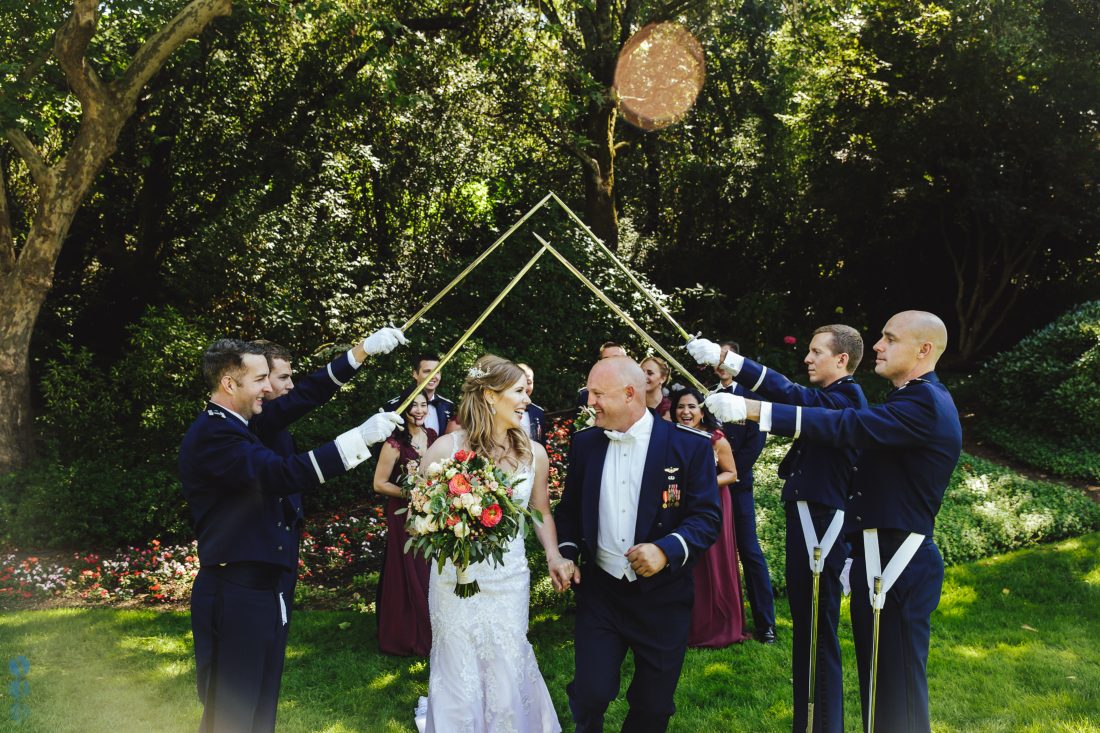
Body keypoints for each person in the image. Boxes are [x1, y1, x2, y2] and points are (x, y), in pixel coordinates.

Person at [704, 311, 962, 733]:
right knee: (883, 696)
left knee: (895, 702)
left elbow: (846, 423)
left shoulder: (925, 403)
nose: (877, 346)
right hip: (880, 562)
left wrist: (753, 410)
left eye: (888, 338)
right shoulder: (911, 400)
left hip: (896, 563)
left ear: (924, 350)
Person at [180, 338, 403, 733]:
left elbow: (303, 398)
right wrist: (359, 439)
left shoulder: (242, 424)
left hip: (262, 589)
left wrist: (362, 352)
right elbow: (280, 475)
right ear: (230, 384)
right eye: (260, 379)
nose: (270, 388)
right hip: (235, 592)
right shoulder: (215, 435)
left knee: (260, 712)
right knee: (232, 716)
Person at [689, 325, 867, 732]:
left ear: (841, 360)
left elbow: (793, 398)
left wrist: (729, 361)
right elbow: (794, 397)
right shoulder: (832, 398)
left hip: (822, 527)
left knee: (819, 635)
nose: (807, 358)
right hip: (810, 522)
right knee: (807, 632)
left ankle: (822, 725)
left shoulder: (846, 398)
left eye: (815, 351)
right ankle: (809, 723)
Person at [555, 356, 722, 733]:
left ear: (630, 393)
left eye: (597, 394)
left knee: (653, 706)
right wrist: (566, 554)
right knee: (592, 692)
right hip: (602, 593)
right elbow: (568, 511)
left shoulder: (689, 447)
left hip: (663, 598)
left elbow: (707, 518)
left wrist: (666, 549)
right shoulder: (585, 444)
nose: (590, 402)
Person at [248, 329, 404, 729]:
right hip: (261, 554)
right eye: (281, 378)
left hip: (280, 546)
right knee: (253, 668)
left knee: (270, 663)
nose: (288, 386)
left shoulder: (271, 420)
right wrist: (360, 352)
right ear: (260, 382)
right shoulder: (260, 419)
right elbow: (310, 395)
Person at [414, 355, 572, 733]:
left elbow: (542, 512)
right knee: (458, 662)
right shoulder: (445, 451)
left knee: (506, 656)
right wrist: (450, 527)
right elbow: (419, 516)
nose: (526, 400)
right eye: (518, 391)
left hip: (508, 577)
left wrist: (554, 555)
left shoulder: (534, 453)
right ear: (489, 395)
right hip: (455, 578)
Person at [669, 387, 748, 649]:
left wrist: (703, 484)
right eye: (681, 407)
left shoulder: (715, 439)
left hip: (712, 502)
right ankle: (689, 624)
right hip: (680, 505)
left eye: (692, 406)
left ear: (703, 410)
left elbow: (732, 474)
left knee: (713, 561)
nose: (686, 412)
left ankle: (720, 626)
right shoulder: (671, 436)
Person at [712, 340, 777, 643]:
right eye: (719, 359)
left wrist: (732, 473)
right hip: (710, 488)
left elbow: (755, 444)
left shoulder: (753, 400)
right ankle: (716, 621)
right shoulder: (706, 398)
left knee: (750, 552)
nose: (722, 365)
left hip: (739, 488)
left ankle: (766, 624)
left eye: (729, 359)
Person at [372, 389, 436, 656]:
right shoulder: (394, 444)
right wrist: (411, 493)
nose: (420, 411)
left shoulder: (432, 437)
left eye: (423, 405)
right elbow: (379, 483)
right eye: (414, 406)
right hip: (402, 514)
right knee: (407, 566)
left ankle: (431, 630)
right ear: (404, 411)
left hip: (430, 511)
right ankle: (405, 634)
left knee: (427, 568)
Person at [384, 352, 456, 435]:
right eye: (427, 371)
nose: (433, 376)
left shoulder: (447, 406)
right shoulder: (394, 406)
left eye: (437, 372)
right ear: (415, 374)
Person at [576, 341, 629, 409]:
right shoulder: (585, 395)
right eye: (606, 359)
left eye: (616, 358)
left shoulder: (639, 391)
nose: (611, 362)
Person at [517, 362, 547, 444]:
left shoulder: (538, 412)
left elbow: (542, 443)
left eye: (529, 382)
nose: (525, 386)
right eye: (521, 382)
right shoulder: (501, 409)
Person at [640, 355, 673, 420]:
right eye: (641, 372)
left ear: (663, 379)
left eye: (650, 373)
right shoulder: (632, 403)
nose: (643, 376)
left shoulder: (669, 410)